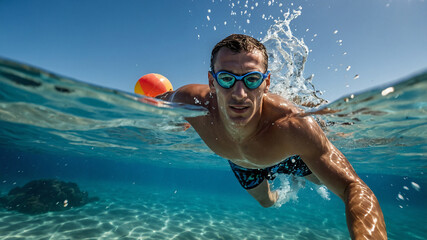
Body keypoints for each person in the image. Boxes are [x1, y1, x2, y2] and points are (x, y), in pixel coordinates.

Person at [156, 34, 386, 239]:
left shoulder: (294, 126)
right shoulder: (188, 102)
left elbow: (353, 187)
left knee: (320, 180)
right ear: (211, 82)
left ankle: (301, 174)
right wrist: (171, 116)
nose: (239, 94)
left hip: (289, 156)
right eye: (226, 78)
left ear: (266, 83)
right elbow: (157, 99)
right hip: (242, 164)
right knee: (267, 203)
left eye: (252, 79)